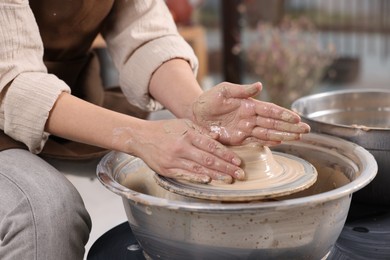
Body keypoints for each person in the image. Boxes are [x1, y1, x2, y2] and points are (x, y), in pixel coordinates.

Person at [0, 0, 310, 259]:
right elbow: (11, 81)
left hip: (65, 91)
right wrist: (137, 137)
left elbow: (144, 33)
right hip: (9, 97)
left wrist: (195, 108)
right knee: (47, 212)